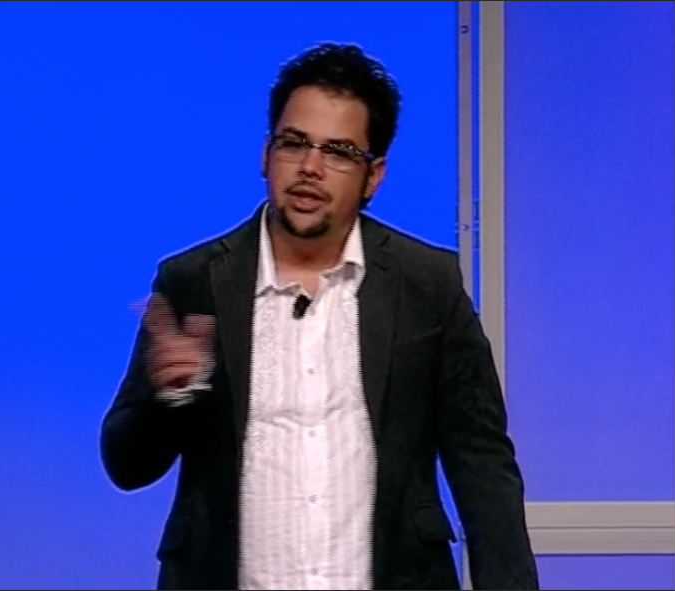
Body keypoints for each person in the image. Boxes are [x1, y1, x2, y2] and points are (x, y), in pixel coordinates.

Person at [100, 42, 538, 591]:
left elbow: (482, 464)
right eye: (294, 143)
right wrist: (171, 396)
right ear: (266, 155)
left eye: (339, 152)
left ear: (373, 176)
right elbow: (127, 466)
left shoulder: (426, 284)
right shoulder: (194, 282)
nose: (310, 168)